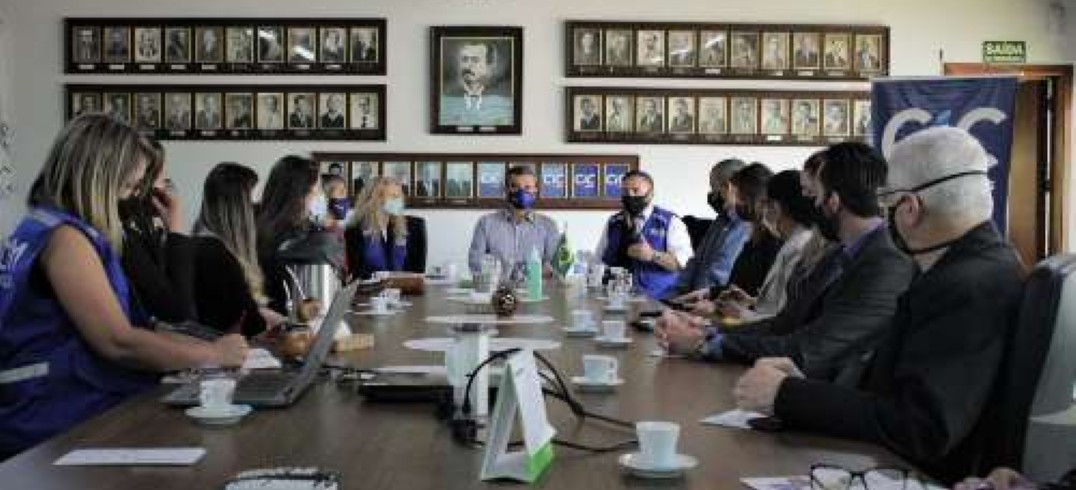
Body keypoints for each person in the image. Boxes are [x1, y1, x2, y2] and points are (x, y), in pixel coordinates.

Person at [732, 127, 1026, 484]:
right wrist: (805, 388)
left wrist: (788, 396)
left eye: (887, 202)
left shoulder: (965, 285)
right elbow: (895, 390)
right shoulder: (976, 265)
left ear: (910, 208)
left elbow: (922, 427)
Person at [0, 115, 248, 458]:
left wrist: (200, 345)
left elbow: (140, 325)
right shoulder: (66, 240)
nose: (132, 198)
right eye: (130, 187)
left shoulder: (43, 226)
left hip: (63, 406)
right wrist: (213, 355)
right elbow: (118, 342)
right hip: (54, 418)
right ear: (99, 178)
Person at [659, 142, 915, 382]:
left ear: (833, 201)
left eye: (815, 195)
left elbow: (810, 349)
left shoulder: (885, 264)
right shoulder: (839, 254)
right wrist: (709, 333)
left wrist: (705, 343)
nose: (811, 205)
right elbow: (783, 324)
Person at [192, 163, 285, 337]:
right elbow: (250, 325)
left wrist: (264, 314)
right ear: (238, 210)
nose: (258, 212)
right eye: (254, 204)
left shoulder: (207, 244)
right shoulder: (216, 256)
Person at [713, 170, 816, 321]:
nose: (763, 211)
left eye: (766, 204)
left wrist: (741, 313)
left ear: (778, 207)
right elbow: (777, 302)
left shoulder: (799, 248)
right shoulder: (791, 242)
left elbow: (785, 320)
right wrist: (751, 301)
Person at [118, 139, 196, 324]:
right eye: (161, 176)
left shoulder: (145, 228)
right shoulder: (125, 234)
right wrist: (176, 230)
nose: (168, 181)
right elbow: (177, 311)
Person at [595, 170, 693, 300]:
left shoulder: (671, 222)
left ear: (650, 194)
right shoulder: (613, 222)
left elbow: (683, 265)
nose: (629, 195)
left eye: (635, 191)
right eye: (625, 192)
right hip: (616, 300)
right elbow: (598, 261)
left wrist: (653, 255)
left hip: (659, 301)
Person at [255, 155, 322, 315]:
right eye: (316, 190)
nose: (320, 196)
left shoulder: (306, 228)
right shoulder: (274, 234)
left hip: (299, 317)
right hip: (280, 323)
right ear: (299, 193)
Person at [467, 165, 559, 275]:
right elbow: (475, 264)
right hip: (496, 289)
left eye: (527, 187)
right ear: (506, 190)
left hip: (534, 290)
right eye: (515, 186)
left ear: (535, 190)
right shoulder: (486, 223)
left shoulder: (549, 225)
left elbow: (554, 267)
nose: (522, 192)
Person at [675, 158, 749, 293]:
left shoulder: (746, 223)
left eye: (714, 188)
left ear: (728, 186)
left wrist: (700, 299)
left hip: (715, 303)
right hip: (694, 301)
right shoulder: (721, 220)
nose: (712, 195)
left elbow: (721, 270)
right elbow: (696, 260)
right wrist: (679, 293)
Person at [345, 177, 427, 280]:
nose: (399, 201)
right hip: (369, 293)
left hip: (405, 292)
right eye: (393, 197)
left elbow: (417, 274)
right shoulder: (354, 231)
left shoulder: (411, 227)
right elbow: (355, 274)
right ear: (375, 199)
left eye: (400, 196)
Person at [440, 41, 513, 126]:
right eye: (465, 59)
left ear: (489, 66)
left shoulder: (505, 104)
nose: (468, 65)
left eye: (475, 60)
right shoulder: (445, 102)